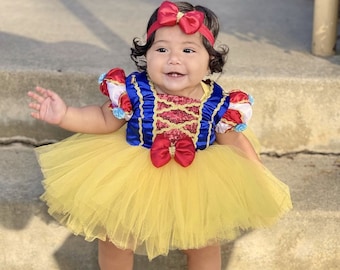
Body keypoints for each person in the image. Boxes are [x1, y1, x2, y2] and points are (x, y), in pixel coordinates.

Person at [28, 1, 292, 269]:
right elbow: (103, 118)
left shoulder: (218, 103)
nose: (173, 58)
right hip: (133, 173)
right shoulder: (134, 91)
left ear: (210, 61)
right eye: (162, 49)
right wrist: (65, 115)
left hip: (198, 180)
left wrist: (257, 174)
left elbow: (233, 139)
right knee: (116, 236)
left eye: (188, 50)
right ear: (147, 55)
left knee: (203, 241)